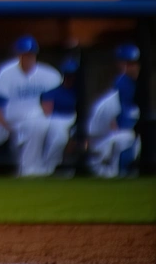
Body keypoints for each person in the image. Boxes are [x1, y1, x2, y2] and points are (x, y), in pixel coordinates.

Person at [0, 36, 61, 176]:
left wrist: (48, 119)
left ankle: (38, 169)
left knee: (46, 130)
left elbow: (50, 104)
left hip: (40, 118)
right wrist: (7, 127)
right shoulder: (6, 73)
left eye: (30, 54)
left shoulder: (49, 74)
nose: (27, 57)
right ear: (18, 54)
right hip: (9, 122)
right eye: (24, 53)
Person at [89, 44, 141, 178]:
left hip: (117, 141)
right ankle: (122, 172)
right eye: (128, 64)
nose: (132, 68)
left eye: (134, 64)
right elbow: (96, 132)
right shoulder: (114, 95)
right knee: (126, 137)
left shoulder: (137, 88)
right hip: (102, 146)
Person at [40, 59, 79, 175]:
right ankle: (49, 167)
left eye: (73, 75)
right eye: (68, 75)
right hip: (56, 120)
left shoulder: (79, 92)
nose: (70, 78)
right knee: (60, 138)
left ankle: (68, 168)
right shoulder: (53, 93)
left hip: (74, 119)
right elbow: (46, 111)